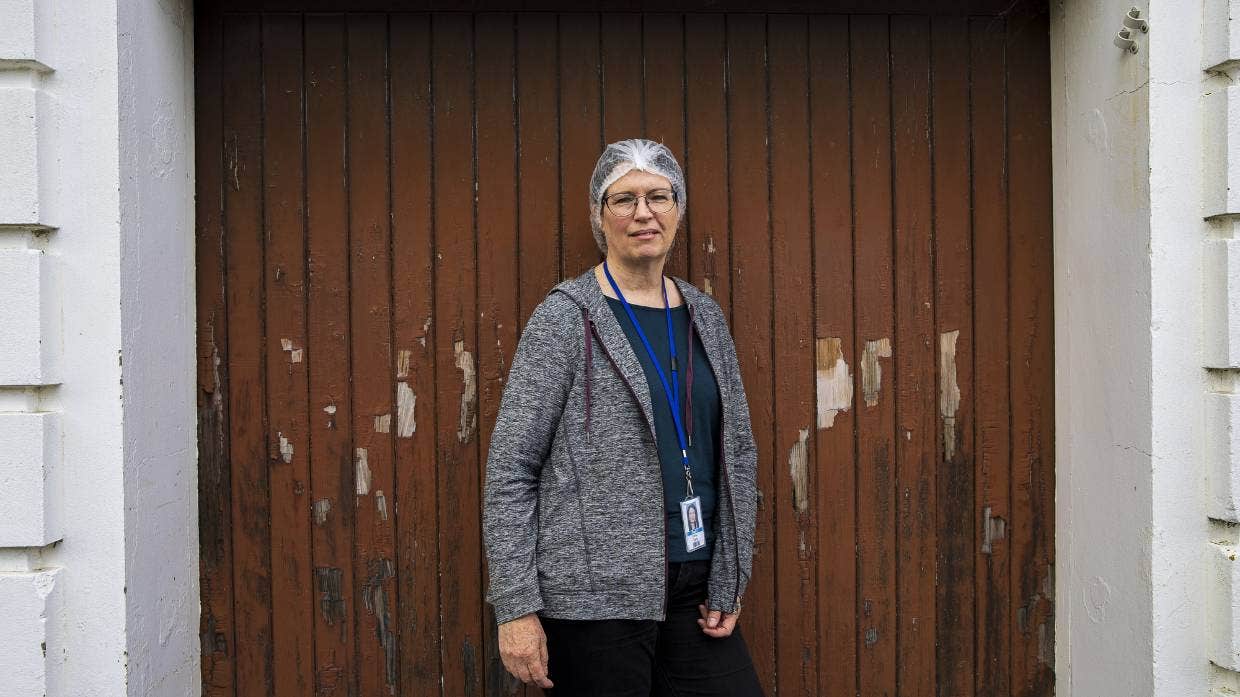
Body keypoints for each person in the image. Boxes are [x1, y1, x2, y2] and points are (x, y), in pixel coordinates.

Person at [483, 139, 762, 696]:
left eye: (658, 196)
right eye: (624, 199)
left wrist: (730, 575)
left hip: (694, 590)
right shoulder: (564, 318)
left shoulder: (704, 316)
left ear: (677, 210)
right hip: (594, 601)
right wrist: (515, 608)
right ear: (599, 214)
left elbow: (738, 452)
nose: (643, 213)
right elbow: (511, 470)